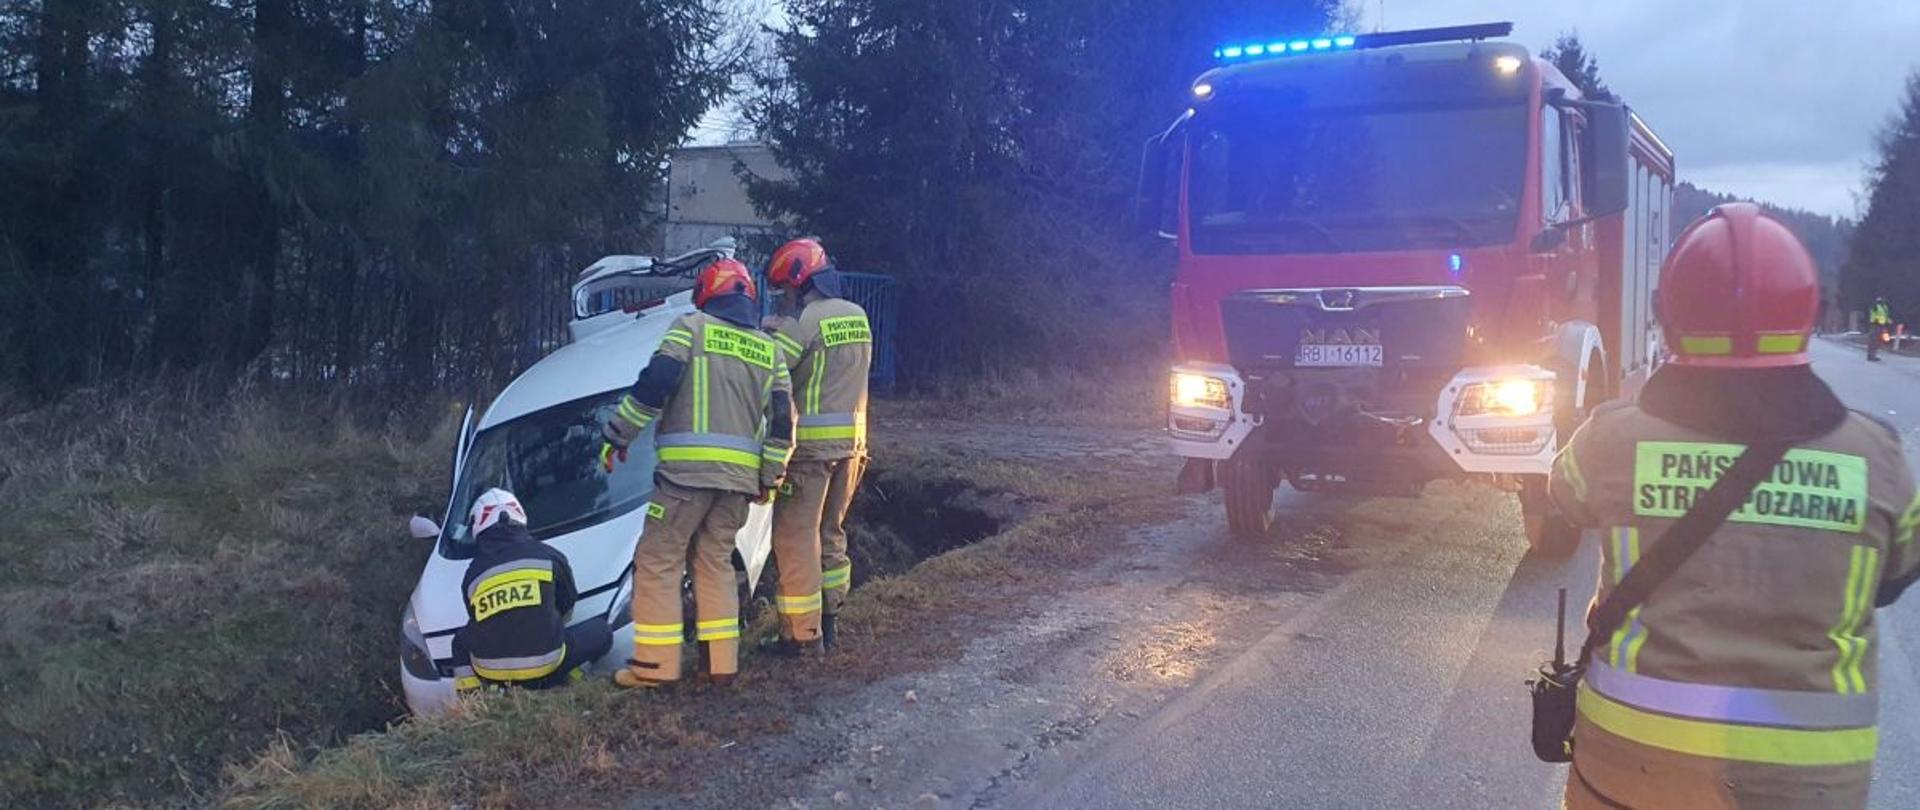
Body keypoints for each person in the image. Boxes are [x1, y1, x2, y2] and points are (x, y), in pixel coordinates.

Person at [1551, 204, 1920, 809]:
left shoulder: (1610, 440)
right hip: (1811, 784)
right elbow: (1897, 573)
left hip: (1629, 771)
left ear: (1667, 317)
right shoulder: (1875, 455)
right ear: (1808, 315)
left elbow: (1561, 500)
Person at [600, 258, 795, 688]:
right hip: (737, 484)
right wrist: (770, 476)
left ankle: (654, 668)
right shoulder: (771, 350)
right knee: (715, 563)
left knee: (657, 561)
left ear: (707, 294)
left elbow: (655, 384)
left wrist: (618, 435)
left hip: (684, 479)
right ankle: (721, 666)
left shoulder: (691, 328)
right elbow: (783, 422)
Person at [760, 238, 873, 654]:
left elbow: (770, 369)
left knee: (794, 539)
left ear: (798, 280)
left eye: (785, 290)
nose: (785, 298)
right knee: (830, 533)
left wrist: (771, 332)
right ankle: (831, 622)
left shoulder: (804, 323)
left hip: (809, 453)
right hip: (853, 448)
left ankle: (801, 638)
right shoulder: (858, 316)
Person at [449, 488, 610, 691]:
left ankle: (472, 697)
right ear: (520, 517)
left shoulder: (472, 574)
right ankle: (569, 679)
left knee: (460, 641)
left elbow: (477, 620)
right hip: (548, 663)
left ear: (478, 527)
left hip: (492, 674)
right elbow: (567, 603)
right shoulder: (549, 556)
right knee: (602, 631)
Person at [1867, 296, 1891, 361]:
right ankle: (1871, 355)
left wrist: (1888, 322)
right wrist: (1875, 320)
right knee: (1873, 341)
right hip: (1875, 325)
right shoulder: (1875, 306)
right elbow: (1872, 312)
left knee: (1878, 341)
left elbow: (1886, 316)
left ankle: (1873, 355)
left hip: (1882, 325)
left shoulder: (1885, 307)